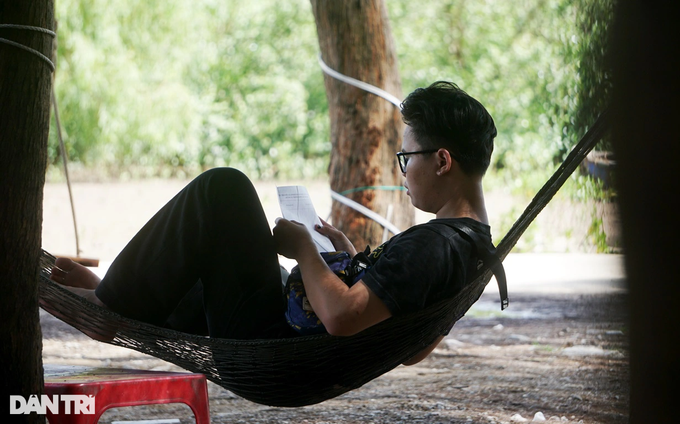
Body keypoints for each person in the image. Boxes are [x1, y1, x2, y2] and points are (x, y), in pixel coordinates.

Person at [48, 81, 497, 366]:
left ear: (441, 161)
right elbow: (411, 349)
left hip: (278, 346)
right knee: (225, 254)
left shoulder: (435, 244)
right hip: (293, 334)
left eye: (406, 157)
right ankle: (114, 298)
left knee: (223, 190)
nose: (402, 171)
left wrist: (304, 247)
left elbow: (343, 317)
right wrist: (348, 259)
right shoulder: (471, 246)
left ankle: (108, 308)